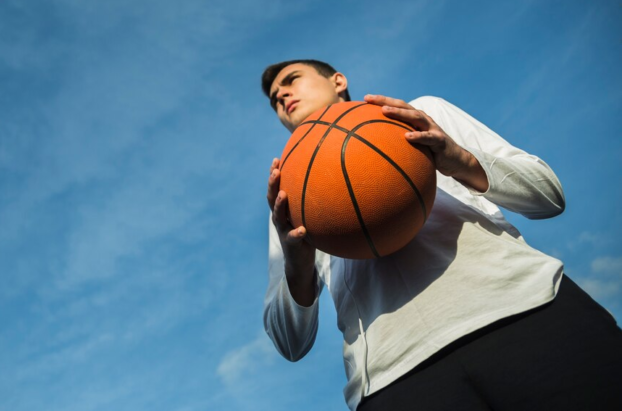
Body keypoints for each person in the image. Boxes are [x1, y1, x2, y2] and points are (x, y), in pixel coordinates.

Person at [262, 59, 622, 411]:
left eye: (292, 79)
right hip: (394, 376)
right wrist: (298, 261)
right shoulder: (287, 192)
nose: (282, 95)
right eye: (274, 97)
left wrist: (459, 159)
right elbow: (290, 342)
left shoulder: (420, 116)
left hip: (528, 314)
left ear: (338, 81)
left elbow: (548, 195)